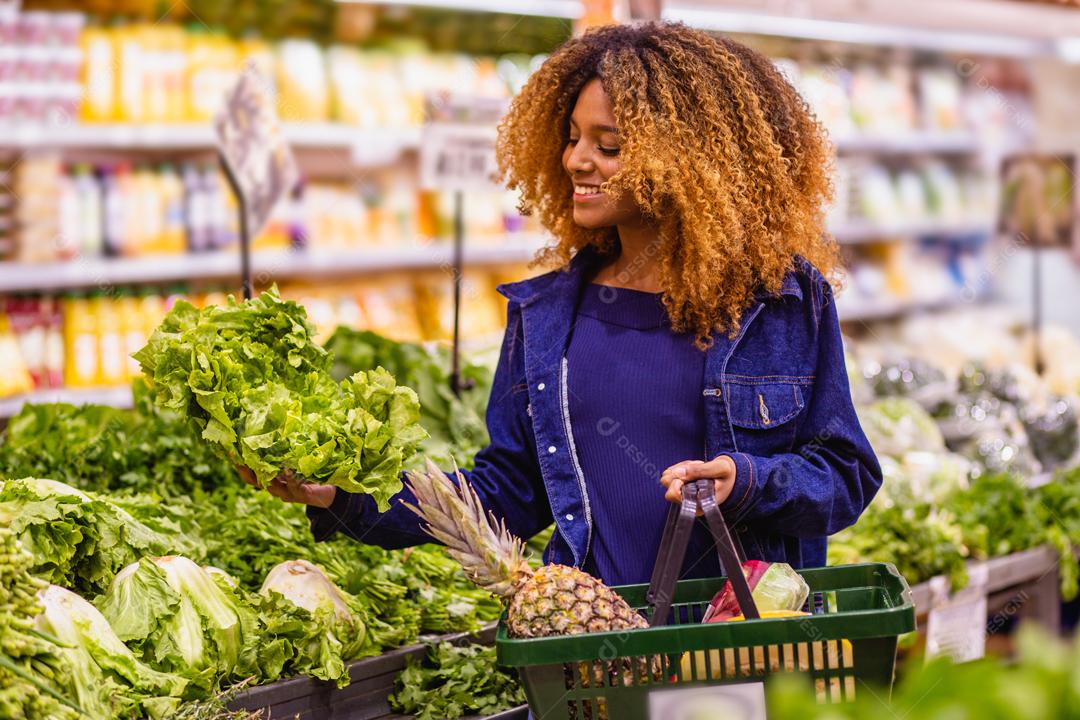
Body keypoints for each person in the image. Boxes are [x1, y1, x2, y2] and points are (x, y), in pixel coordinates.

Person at [244, 22, 881, 587]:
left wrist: (745, 481)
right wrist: (345, 499)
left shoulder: (784, 300)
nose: (577, 160)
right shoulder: (547, 315)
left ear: (691, 164)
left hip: (740, 637)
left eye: (609, 146)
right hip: (589, 639)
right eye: (573, 138)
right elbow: (509, 491)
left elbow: (845, 473)